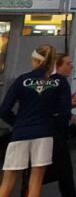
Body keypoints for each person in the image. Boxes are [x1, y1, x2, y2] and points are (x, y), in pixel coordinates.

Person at [0, 45, 68, 197]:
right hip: (44, 134)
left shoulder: (22, 80)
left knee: (8, 180)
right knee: (36, 180)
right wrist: (53, 127)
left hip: (20, 133)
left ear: (36, 61)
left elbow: (4, 110)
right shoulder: (60, 82)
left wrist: (17, 123)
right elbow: (64, 113)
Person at [49, 54, 76, 197]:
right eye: (68, 63)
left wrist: (68, 108)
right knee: (65, 173)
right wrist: (70, 110)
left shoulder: (48, 81)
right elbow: (61, 111)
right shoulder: (62, 82)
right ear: (58, 66)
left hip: (47, 133)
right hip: (58, 136)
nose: (71, 66)